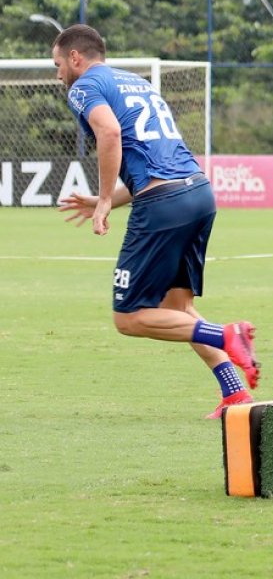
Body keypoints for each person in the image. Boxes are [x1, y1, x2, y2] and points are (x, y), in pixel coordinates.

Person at [51, 24, 261, 419]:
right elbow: (153, 165)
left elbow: (110, 134)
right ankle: (234, 392)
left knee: (129, 318)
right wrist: (107, 200)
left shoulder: (83, 87)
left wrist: (100, 206)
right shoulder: (136, 83)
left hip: (164, 205)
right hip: (198, 192)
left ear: (75, 58)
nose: (58, 73)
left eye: (58, 63)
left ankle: (227, 335)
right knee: (177, 309)